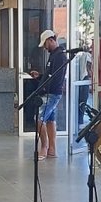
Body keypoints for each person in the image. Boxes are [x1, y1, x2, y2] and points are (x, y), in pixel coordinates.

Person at [27, 30, 68, 160]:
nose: (44, 48)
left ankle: (44, 147)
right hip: (51, 92)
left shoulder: (60, 56)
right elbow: (50, 74)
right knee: (50, 120)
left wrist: (44, 87)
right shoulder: (54, 55)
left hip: (53, 93)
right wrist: (40, 76)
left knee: (39, 119)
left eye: (45, 44)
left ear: (51, 40)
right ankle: (52, 149)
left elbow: (57, 77)